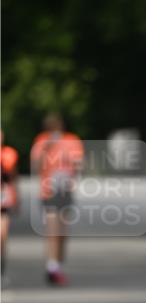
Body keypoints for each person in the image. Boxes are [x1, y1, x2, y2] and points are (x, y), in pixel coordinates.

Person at [30, 113, 84, 286]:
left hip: (65, 191)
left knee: (62, 232)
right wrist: (47, 148)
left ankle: (58, 264)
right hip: (48, 191)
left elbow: (79, 164)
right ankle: (51, 267)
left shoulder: (72, 140)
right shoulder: (41, 140)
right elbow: (35, 166)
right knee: (53, 229)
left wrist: (72, 164)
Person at [1, 130, 19, 276]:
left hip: (3, 199)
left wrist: (17, 198)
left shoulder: (9, 154)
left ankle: (2, 268)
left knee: (2, 234)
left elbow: (13, 177)